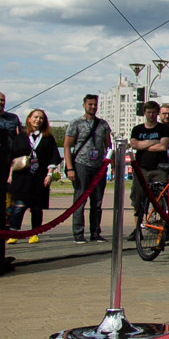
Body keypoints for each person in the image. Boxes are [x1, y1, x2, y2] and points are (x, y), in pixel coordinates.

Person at [7, 109, 62, 244]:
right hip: (22, 177)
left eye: (41, 118)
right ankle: (13, 233)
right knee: (19, 206)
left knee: (37, 207)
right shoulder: (20, 137)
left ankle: (34, 233)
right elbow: (12, 158)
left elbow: (53, 157)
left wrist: (49, 174)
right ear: (29, 119)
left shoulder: (47, 138)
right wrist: (10, 175)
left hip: (39, 177)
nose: (38, 120)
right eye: (35, 117)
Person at [64, 94, 113, 243]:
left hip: (99, 166)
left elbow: (108, 146)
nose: (93, 107)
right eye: (90, 104)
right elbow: (67, 146)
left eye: (95, 105)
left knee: (97, 202)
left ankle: (95, 232)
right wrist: (70, 168)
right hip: (81, 165)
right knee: (80, 199)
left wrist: (113, 165)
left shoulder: (103, 124)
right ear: (84, 105)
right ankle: (78, 233)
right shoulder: (76, 123)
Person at [129, 101, 169, 224]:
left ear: (157, 113)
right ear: (144, 113)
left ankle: (163, 227)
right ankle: (138, 227)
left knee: (161, 199)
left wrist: (142, 145)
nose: (151, 115)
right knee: (138, 198)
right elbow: (133, 144)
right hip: (141, 168)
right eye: (149, 112)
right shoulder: (137, 129)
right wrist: (153, 142)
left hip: (159, 169)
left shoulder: (163, 129)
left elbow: (163, 147)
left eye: (153, 112)